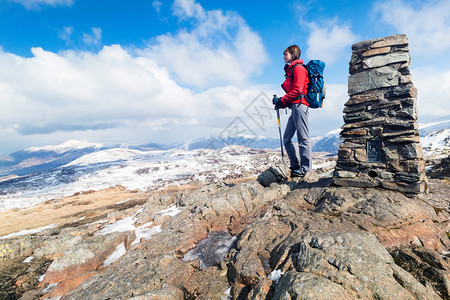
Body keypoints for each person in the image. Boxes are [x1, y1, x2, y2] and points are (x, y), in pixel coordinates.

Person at [273, 44, 311, 177]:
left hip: (300, 106)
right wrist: (281, 103)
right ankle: (295, 165)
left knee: (303, 138)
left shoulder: (299, 69)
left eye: (286, 54)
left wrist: (282, 100)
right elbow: (293, 93)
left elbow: (298, 90)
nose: (283, 57)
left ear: (293, 54)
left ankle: (305, 169)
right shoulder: (291, 70)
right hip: (295, 106)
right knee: (287, 138)